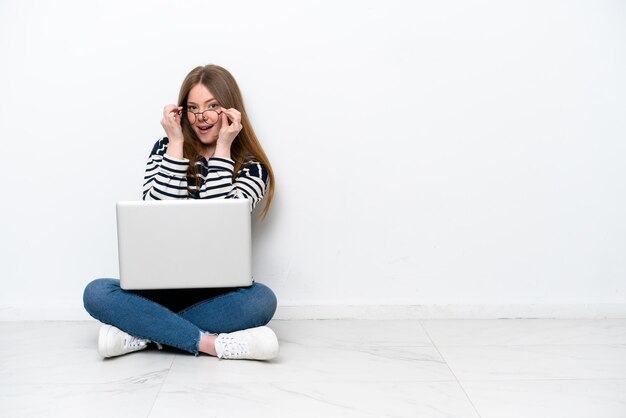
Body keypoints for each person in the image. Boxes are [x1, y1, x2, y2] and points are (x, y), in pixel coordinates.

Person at [83, 64, 279, 360]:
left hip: (217, 293)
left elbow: (218, 222)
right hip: (157, 288)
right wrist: (175, 143)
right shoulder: (165, 148)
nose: (202, 118)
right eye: (193, 107)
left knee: (262, 300)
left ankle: (143, 333)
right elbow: (154, 214)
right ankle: (210, 344)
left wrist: (224, 147)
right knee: (96, 292)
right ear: (183, 112)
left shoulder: (253, 168)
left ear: (231, 110)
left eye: (213, 106)